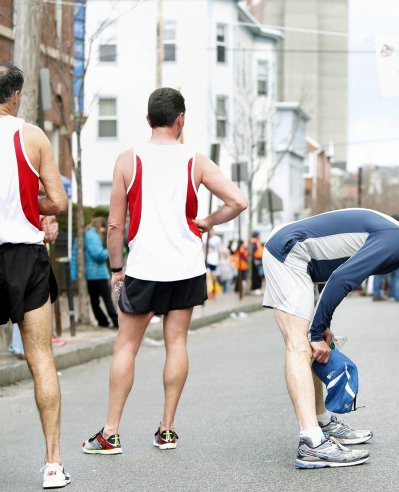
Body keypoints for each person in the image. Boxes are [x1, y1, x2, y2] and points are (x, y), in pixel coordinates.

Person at [81, 87, 247, 455]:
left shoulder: (128, 159)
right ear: (180, 120)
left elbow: (114, 226)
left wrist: (116, 270)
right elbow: (238, 200)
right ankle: (167, 430)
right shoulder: (196, 160)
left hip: (143, 266)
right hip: (186, 266)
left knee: (127, 345)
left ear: (148, 119)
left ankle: (111, 433)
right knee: (177, 343)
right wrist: (206, 221)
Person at [263, 208, 399, 468]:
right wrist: (315, 330)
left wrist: (322, 326)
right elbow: (342, 277)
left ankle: (321, 423)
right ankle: (311, 443)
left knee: (311, 344)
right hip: (289, 253)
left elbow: (336, 263)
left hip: (303, 260)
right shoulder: (396, 243)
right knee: (300, 345)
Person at [0, 62, 71, 488]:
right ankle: (52, 464)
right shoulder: (33, 136)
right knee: (40, 356)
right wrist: (31, 206)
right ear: (16, 95)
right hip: (25, 255)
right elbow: (58, 202)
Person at [71, 217, 119, 329]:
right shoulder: (92, 236)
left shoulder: (85, 234)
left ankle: (103, 321)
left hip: (91, 274)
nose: (103, 231)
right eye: (103, 228)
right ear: (99, 226)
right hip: (98, 274)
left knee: (95, 300)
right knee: (107, 299)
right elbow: (99, 255)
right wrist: (111, 250)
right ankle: (115, 322)